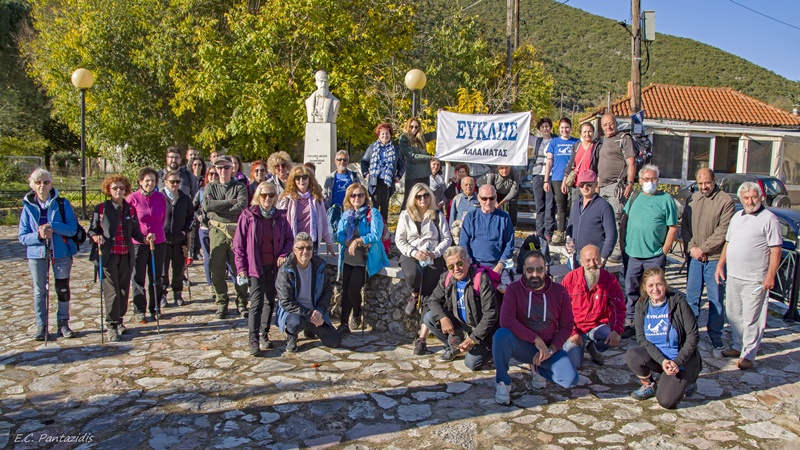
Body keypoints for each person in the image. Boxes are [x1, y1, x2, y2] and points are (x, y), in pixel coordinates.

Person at [493, 251, 578, 405]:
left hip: (547, 349)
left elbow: (567, 326)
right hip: (522, 345)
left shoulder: (560, 292)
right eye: (530, 270)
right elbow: (506, 320)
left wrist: (550, 349)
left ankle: (537, 368)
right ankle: (503, 382)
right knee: (501, 335)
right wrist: (535, 340)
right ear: (523, 270)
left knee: (569, 379)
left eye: (539, 269)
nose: (535, 274)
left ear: (546, 269)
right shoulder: (513, 289)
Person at [714, 182, 781, 370]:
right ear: (741, 199)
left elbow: (775, 249)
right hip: (734, 275)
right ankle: (738, 344)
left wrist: (770, 275)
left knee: (752, 318)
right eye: (746, 197)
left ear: (761, 197)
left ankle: (749, 353)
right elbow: (729, 242)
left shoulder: (769, 219)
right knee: (734, 314)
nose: (750, 201)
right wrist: (720, 265)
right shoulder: (737, 217)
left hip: (755, 278)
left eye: (753, 197)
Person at [88, 174, 155, 341]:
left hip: (126, 254)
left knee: (124, 290)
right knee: (112, 292)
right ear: (108, 190)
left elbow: (135, 232)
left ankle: (119, 320)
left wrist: (145, 238)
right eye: (115, 188)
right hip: (108, 255)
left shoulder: (129, 209)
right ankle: (111, 325)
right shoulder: (101, 209)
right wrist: (96, 237)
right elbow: (92, 230)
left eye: (121, 188)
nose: (118, 191)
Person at [19, 168, 80, 340]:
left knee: (62, 288)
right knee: (40, 291)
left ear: (51, 184)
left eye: (46, 182)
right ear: (32, 185)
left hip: (61, 253)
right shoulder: (28, 208)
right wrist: (38, 235)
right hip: (37, 254)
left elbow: (72, 228)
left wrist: (52, 226)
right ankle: (42, 326)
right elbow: (22, 237)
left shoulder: (62, 204)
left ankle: (63, 323)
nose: (42, 186)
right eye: (38, 182)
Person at [626, 268, 701, 408]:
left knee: (666, 402)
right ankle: (649, 384)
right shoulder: (641, 305)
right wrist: (662, 361)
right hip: (659, 359)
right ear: (645, 288)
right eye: (650, 285)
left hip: (680, 362)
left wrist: (677, 362)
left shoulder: (678, 303)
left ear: (665, 284)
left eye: (659, 284)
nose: (655, 289)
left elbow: (693, 335)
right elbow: (642, 338)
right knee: (633, 355)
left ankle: (688, 381)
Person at [233, 181, 294, 355]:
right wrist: (241, 268)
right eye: (264, 195)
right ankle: (253, 338)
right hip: (254, 267)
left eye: (271, 195)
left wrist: (283, 254)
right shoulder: (248, 216)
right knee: (256, 302)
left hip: (273, 267)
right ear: (258, 196)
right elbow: (238, 245)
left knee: (270, 301)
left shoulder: (280, 218)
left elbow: (289, 239)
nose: (267, 198)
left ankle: (263, 334)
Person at [622, 164, 678, 338]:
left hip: (654, 254)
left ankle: (651, 321)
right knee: (631, 286)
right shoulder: (634, 196)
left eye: (653, 179)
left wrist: (665, 250)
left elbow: (673, 227)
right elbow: (626, 219)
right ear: (640, 181)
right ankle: (630, 320)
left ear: (658, 181)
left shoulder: (666, 199)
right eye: (646, 179)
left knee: (654, 289)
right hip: (633, 253)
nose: (650, 182)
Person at [681, 168, 735, 349]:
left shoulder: (725, 201)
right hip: (694, 257)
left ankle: (715, 334)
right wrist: (692, 249)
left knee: (716, 299)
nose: (704, 187)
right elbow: (686, 227)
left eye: (707, 183)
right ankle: (691, 333)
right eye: (700, 183)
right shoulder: (693, 199)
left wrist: (703, 249)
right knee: (692, 297)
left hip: (715, 258)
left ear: (714, 181)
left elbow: (723, 231)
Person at [395, 183, 452, 352]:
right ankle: (413, 295)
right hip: (411, 253)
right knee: (412, 274)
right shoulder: (405, 215)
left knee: (429, 294)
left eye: (426, 195)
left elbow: (447, 238)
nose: (423, 199)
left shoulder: (437, 215)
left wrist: (435, 252)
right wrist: (413, 253)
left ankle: (422, 338)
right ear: (413, 198)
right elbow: (399, 240)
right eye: (419, 196)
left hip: (432, 255)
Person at [423, 246, 497, 368]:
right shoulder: (446, 278)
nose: (456, 269)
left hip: (481, 329)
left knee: (472, 364)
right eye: (451, 266)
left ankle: (491, 349)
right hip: (461, 323)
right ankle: (453, 346)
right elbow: (432, 300)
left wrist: (473, 338)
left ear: (468, 262)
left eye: (460, 263)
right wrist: (443, 318)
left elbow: (491, 314)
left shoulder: (481, 279)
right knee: (429, 317)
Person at [335, 183, 389, 335]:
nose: (357, 198)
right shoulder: (346, 214)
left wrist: (358, 241)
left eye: (360, 195)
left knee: (353, 290)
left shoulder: (373, 213)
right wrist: (346, 242)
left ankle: (357, 312)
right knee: (346, 290)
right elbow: (338, 234)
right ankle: (344, 323)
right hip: (348, 257)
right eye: (353, 195)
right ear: (349, 198)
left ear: (365, 196)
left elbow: (376, 235)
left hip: (365, 257)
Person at [276, 232, 342, 352]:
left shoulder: (319, 267)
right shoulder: (285, 270)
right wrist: (309, 314)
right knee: (296, 323)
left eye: (309, 248)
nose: (305, 251)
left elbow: (327, 291)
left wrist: (320, 310)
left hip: (314, 311)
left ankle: (310, 328)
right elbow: (286, 302)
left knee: (334, 341)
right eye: (301, 248)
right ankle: (291, 335)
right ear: (294, 250)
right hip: (295, 312)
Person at [561, 245, 625, 368]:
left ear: (601, 260)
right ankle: (576, 346)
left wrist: (617, 330)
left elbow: (618, 307)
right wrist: (572, 332)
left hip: (597, 326)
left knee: (614, 337)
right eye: (588, 260)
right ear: (581, 261)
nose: (592, 263)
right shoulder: (570, 279)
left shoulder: (609, 280)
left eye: (595, 259)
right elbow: (560, 309)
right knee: (574, 365)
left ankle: (595, 347)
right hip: (576, 327)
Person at [203, 156, 249, 319]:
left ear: (232, 169)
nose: (223, 171)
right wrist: (230, 202)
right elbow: (208, 206)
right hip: (217, 230)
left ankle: (242, 302)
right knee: (217, 268)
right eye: (219, 168)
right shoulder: (210, 187)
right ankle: (221, 302)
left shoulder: (240, 186)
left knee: (239, 269)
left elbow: (241, 206)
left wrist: (219, 206)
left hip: (236, 230)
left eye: (226, 168)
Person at [127, 167, 167, 323]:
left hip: (158, 242)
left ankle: (155, 307)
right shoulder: (132, 199)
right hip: (139, 243)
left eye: (153, 181)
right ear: (140, 182)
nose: (150, 183)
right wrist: (142, 235)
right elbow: (130, 222)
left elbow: (162, 217)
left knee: (156, 276)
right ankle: (139, 309)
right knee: (138, 277)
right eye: (147, 180)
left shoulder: (160, 197)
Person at [459, 185, 515, 286]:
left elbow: (509, 245)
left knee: (510, 292)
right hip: (474, 264)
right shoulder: (470, 217)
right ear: (479, 198)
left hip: (498, 265)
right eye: (484, 198)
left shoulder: (504, 218)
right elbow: (463, 244)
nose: (488, 202)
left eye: (491, 198)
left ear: (496, 197)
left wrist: (500, 265)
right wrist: (472, 265)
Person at [279, 165, 335, 256]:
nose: (301, 180)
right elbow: (281, 224)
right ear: (293, 180)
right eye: (297, 178)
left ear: (310, 179)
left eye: (304, 177)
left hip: (312, 242)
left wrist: (329, 243)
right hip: (294, 242)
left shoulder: (317, 198)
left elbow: (324, 222)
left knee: (311, 269)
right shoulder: (287, 199)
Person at [565, 170, 616, 268]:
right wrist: (567, 241)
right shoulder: (576, 204)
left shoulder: (604, 206)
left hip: (594, 260)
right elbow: (570, 227)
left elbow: (611, 235)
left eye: (588, 184)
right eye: (582, 184)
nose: (585, 187)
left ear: (595, 184)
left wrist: (603, 256)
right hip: (576, 257)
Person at [161, 170, 194, 307]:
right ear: (165, 182)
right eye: (172, 182)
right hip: (163, 240)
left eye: (178, 182)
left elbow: (191, 218)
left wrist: (185, 231)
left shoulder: (185, 199)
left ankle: (177, 293)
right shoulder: (160, 197)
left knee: (178, 268)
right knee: (163, 270)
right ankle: (161, 294)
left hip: (179, 240)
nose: (175, 184)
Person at [595, 113, 636, 223]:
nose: (608, 127)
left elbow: (631, 162)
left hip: (616, 187)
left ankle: (617, 241)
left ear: (616, 124)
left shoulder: (624, 139)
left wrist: (630, 183)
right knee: (602, 220)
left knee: (615, 220)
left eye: (611, 124)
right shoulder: (603, 141)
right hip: (602, 188)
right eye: (605, 125)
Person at [543, 118, 579, 245]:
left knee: (575, 206)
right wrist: (546, 180)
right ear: (559, 129)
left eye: (567, 127)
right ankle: (561, 232)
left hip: (575, 178)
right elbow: (549, 162)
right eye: (562, 128)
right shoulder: (554, 142)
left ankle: (574, 233)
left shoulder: (576, 142)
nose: (565, 130)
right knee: (561, 207)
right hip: (557, 178)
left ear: (571, 128)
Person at [361, 122, 405, 223]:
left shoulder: (395, 149)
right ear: (379, 135)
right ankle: (374, 226)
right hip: (375, 181)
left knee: (385, 206)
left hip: (388, 182)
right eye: (383, 134)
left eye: (387, 133)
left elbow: (402, 165)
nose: (385, 136)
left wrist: (398, 176)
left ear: (390, 135)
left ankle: (384, 230)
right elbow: (364, 161)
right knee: (375, 205)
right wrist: (366, 174)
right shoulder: (372, 147)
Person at [528, 118, 556, 240]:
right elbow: (525, 134)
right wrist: (529, 118)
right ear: (539, 129)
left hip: (551, 175)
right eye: (543, 126)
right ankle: (539, 232)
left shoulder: (556, 140)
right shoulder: (536, 141)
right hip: (537, 175)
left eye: (547, 126)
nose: (545, 128)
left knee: (550, 204)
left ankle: (549, 232)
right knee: (540, 205)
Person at [398, 118, 436, 208]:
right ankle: (403, 220)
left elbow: (436, 134)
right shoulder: (403, 139)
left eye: (416, 127)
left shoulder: (421, 138)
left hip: (425, 174)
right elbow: (412, 157)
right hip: (413, 176)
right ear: (407, 126)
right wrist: (429, 157)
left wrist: (440, 116)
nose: (413, 129)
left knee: (425, 199)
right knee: (409, 200)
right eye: (411, 127)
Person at [323, 150, 359, 231]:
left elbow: (360, 191)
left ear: (348, 162)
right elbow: (325, 194)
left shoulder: (354, 176)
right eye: (339, 159)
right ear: (335, 161)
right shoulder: (330, 177)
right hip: (335, 211)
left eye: (345, 160)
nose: (342, 162)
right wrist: (329, 208)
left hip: (350, 210)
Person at [194, 167, 217, 290]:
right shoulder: (202, 191)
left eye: (215, 174)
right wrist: (197, 216)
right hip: (204, 228)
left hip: (218, 228)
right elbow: (192, 207)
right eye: (211, 174)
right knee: (207, 257)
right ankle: (210, 284)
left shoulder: (220, 190)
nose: (213, 176)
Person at [563, 122, 597, 200]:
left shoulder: (597, 147)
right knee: (576, 208)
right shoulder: (576, 146)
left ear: (593, 132)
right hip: (577, 183)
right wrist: (564, 181)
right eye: (584, 132)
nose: (587, 134)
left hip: (590, 184)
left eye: (589, 131)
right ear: (581, 134)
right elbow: (570, 164)